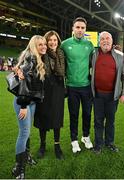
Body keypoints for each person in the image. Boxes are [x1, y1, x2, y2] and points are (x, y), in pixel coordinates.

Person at [12, 35, 47, 179]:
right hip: (24, 102)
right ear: (34, 46)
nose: (44, 46)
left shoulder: (35, 58)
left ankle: (26, 157)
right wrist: (24, 105)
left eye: (44, 44)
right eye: (40, 44)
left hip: (30, 102)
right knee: (24, 132)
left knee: (27, 131)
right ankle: (18, 168)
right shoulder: (31, 59)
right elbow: (24, 85)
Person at [91, 31, 124, 154]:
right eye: (102, 39)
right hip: (97, 94)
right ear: (99, 41)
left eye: (107, 38)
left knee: (110, 121)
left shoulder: (119, 55)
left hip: (112, 95)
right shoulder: (93, 54)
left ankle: (109, 142)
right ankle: (98, 144)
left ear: (112, 41)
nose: (105, 41)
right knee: (98, 121)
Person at [61, 17, 94, 153]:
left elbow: (95, 63)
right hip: (72, 87)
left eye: (82, 28)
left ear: (85, 30)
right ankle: (74, 140)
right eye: (78, 27)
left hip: (86, 86)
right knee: (73, 114)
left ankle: (85, 137)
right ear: (73, 29)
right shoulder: (64, 44)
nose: (80, 30)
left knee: (87, 113)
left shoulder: (90, 45)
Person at [34, 31, 65, 160]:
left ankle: (57, 146)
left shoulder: (61, 54)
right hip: (44, 89)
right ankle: (42, 145)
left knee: (57, 117)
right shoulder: (41, 53)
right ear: (46, 42)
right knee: (43, 116)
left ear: (58, 41)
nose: (53, 42)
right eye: (50, 40)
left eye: (55, 40)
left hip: (58, 88)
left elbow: (63, 71)